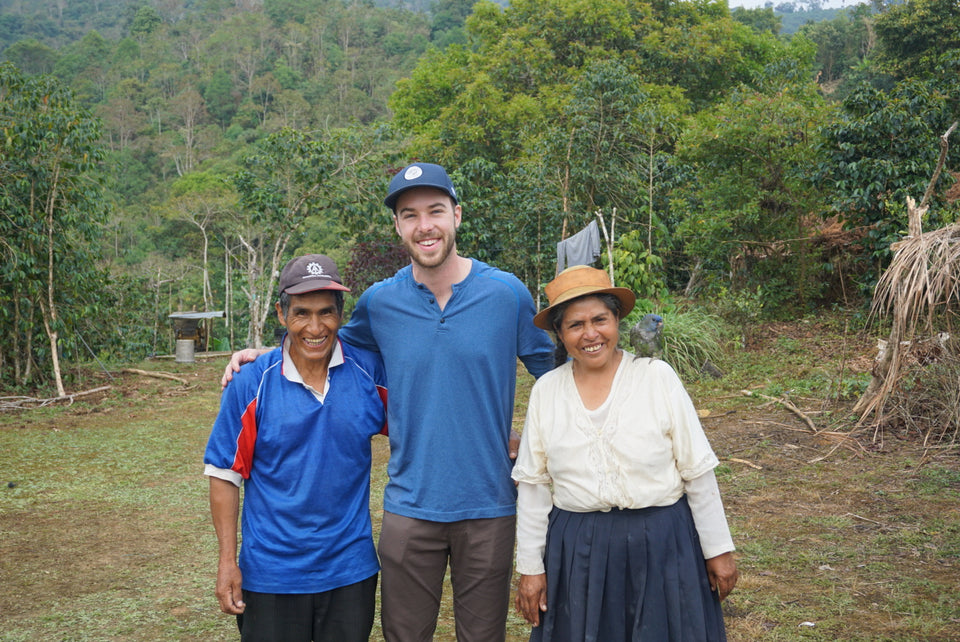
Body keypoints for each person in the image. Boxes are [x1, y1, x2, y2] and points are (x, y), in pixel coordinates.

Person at [222, 163, 556, 642]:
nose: (425, 225)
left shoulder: (506, 295)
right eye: (410, 214)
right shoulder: (380, 303)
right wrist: (263, 356)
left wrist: (536, 443)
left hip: (489, 506)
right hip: (409, 507)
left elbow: (555, 376)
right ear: (398, 226)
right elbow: (322, 337)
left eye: (435, 211)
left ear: (457, 215)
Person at [512, 265, 738, 641]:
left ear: (617, 320)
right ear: (559, 334)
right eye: (575, 325)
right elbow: (534, 487)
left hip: (664, 543)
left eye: (600, 319)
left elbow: (696, 469)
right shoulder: (547, 392)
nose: (590, 334)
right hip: (579, 550)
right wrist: (531, 569)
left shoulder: (656, 377)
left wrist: (718, 550)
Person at [204, 254, 387, 642]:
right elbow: (224, 474)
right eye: (302, 313)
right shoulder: (251, 383)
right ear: (281, 314)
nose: (315, 327)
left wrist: (500, 432)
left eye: (327, 313)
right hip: (272, 574)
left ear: (342, 314)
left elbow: (424, 417)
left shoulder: (369, 373)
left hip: (350, 570)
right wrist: (226, 562)